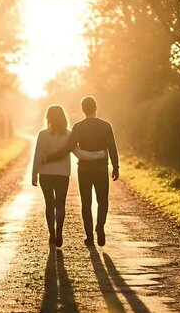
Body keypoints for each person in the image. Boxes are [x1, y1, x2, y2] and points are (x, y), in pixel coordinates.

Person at [45, 96, 119, 247]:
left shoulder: (78, 127)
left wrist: (54, 155)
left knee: (86, 203)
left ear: (83, 109)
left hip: (84, 169)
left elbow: (69, 147)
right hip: (101, 168)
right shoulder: (106, 126)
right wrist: (116, 166)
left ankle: (89, 236)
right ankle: (100, 226)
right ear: (95, 107)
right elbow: (112, 147)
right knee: (102, 201)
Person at [32, 105, 106, 248]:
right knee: (60, 204)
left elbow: (37, 155)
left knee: (49, 205)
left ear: (48, 118)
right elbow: (79, 154)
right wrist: (100, 154)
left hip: (45, 174)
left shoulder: (42, 134)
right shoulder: (68, 135)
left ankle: (52, 233)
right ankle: (59, 232)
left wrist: (34, 173)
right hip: (62, 175)